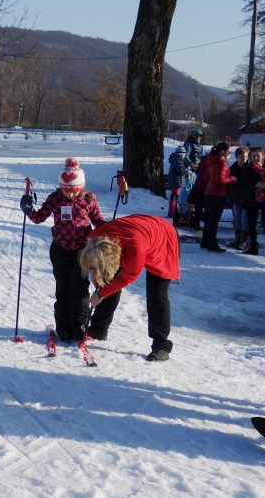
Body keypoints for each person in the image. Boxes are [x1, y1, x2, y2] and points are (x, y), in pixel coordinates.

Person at [20, 158, 106, 342]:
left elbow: (98, 221)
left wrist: (111, 230)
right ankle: (63, 327)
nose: (71, 194)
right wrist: (28, 209)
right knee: (63, 288)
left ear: (81, 187)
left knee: (80, 290)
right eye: (67, 190)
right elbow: (39, 218)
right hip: (60, 250)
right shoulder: (55, 198)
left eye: (75, 191)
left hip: (83, 252)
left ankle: (79, 326)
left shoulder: (89, 199)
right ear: (61, 187)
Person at [78, 214, 181, 362]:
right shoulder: (95, 237)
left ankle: (161, 345)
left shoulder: (135, 249)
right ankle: (98, 330)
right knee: (108, 281)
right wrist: (95, 275)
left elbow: (127, 278)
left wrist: (100, 295)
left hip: (164, 238)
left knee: (157, 294)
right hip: (139, 230)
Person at [201, 141, 235, 253]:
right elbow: (220, 180)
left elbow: (206, 177)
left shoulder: (212, 160)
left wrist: (211, 184)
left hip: (209, 192)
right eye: (229, 152)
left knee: (208, 219)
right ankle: (212, 244)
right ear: (223, 152)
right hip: (218, 194)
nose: (230, 154)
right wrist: (232, 178)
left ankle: (205, 241)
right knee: (214, 220)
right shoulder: (222, 162)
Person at [240, 147, 265, 256]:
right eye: (253, 156)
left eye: (258, 156)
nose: (256, 158)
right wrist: (255, 185)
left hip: (264, 199)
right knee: (251, 224)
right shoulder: (247, 169)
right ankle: (253, 246)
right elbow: (243, 184)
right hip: (251, 199)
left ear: (262, 157)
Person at [227, 146, 250, 249]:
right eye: (242, 157)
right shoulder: (233, 168)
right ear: (237, 157)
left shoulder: (249, 168)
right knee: (237, 218)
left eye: (245, 156)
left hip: (246, 197)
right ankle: (238, 239)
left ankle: (244, 241)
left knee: (245, 218)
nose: (244, 159)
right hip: (236, 196)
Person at [166, 145, 187, 222]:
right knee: (175, 196)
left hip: (173, 180)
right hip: (177, 181)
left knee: (173, 196)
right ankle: (172, 211)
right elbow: (180, 170)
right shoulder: (178, 160)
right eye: (184, 154)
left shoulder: (174, 159)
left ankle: (172, 210)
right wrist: (186, 171)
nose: (184, 156)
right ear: (181, 154)